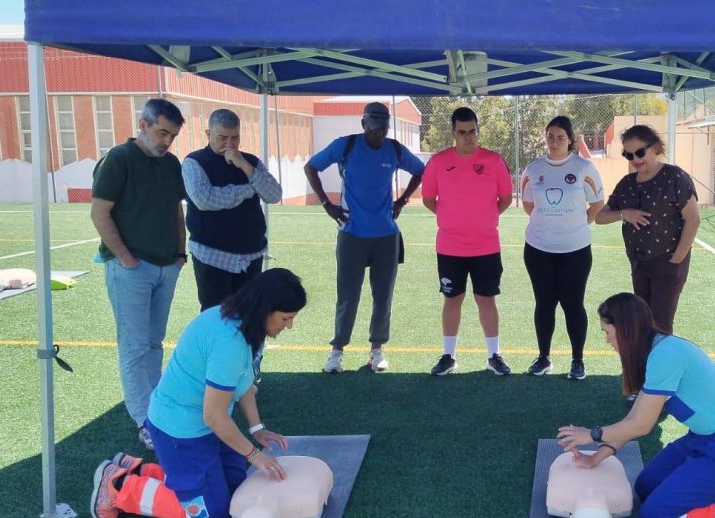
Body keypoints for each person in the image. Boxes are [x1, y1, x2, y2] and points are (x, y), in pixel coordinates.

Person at [89, 268, 306, 518]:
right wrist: (254, 455)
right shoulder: (229, 342)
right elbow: (214, 416)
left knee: (238, 489)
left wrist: (257, 429)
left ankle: (138, 470)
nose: (289, 326)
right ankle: (120, 485)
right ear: (265, 309)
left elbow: (243, 381)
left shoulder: (243, 322)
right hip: (180, 432)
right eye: (286, 318)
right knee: (212, 514)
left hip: (202, 427)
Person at [557, 293, 715, 518]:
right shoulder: (657, 351)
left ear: (625, 328)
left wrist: (591, 434)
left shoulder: (664, 355)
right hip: (704, 439)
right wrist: (595, 458)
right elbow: (633, 421)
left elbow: (641, 426)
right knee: (645, 486)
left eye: (607, 332)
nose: (607, 340)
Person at [91, 98, 187, 450]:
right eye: (162, 132)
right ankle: (145, 421)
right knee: (133, 348)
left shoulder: (170, 163)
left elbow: (176, 211)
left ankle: (157, 410)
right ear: (142, 125)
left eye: (172, 136)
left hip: (166, 266)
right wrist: (127, 260)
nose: (166, 141)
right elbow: (100, 214)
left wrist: (179, 254)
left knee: (153, 343)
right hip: (131, 270)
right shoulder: (118, 159)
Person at [304, 102, 425, 373]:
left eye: (383, 130)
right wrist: (326, 204)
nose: (379, 135)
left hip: (386, 236)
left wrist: (402, 200)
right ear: (363, 125)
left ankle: (376, 350)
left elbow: (421, 171)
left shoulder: (394, 149)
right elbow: (310, 167)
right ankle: (337, 351)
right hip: (351, 234)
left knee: (383, 295)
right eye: (374, 130)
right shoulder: (344, 146)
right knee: (348, 295)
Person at [421, 107, 514, 376]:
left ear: (478, 130)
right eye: (462, 132)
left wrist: (485, 218)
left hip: (486, 246)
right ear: (453, 133)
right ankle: (449, 356)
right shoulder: (438, 162)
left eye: (472, 131)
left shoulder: (494, 161)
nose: (468, 137)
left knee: (487, 300)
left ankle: (494, 355)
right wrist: (451, 219)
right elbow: (429, 199)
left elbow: (505, 199)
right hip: (450, 247)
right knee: (452, 300)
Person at [520, 116, 605, 380]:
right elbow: (528, 205)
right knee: (544, 303)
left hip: (576, 251)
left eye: (560, 137)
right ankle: (544, 358)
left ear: (570, 140)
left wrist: (577, 224)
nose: (554, 141)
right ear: (545, 139)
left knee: (573, 304)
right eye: (550, 136)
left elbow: (598, 203)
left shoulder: (584, 168)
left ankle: (577, 361)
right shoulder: (532, 170)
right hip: (538, 249)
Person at [596, 125, 700, 336]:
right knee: (642, 323)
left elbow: (693, 220)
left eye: (640, 152)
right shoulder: (627, 183)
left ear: (655, 148)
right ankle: (641, 367)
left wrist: (677, 259)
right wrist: (624, 214)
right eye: (628, 154)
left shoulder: (674, 177)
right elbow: (600, 217)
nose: (635, 159)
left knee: (661, 325)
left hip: (668, 263)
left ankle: (659, 368)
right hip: (639, 264)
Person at [183, 108, 283, 312]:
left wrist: (245, 167)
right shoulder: (194, 162)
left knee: (249, 316)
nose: (229, 144)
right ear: (208, 134)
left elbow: (274, 195)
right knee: (215, 316)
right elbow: (205, 199)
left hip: (251, 255)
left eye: (235, 138)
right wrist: (249, 188)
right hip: (211, 255)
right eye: (222, 138)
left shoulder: (251, 161)